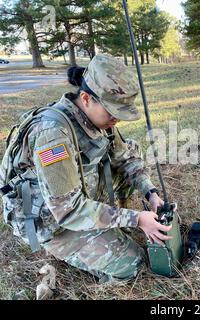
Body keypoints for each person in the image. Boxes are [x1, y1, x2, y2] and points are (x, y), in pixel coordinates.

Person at [0, 54, 174, 282]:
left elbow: (125, 158)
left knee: (133, 148)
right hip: (51, 221)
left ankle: (110, 226)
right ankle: (71, 245)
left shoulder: (99, 120)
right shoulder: (53, 136)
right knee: (133, 265)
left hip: (79, 195)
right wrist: (136, 219)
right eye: (112, 112)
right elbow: (67, 210)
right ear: (86, 98)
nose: (116, 119)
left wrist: (150, 192)